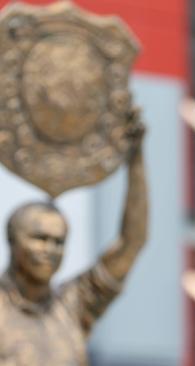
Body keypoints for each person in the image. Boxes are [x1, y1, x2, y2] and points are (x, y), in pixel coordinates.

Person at [0, 122, 147, 366]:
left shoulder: (73, 306)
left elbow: (131, 244)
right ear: (13, 240)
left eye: (59, 242)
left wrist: (136, 159)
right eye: (40, 238)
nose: (50, 250)